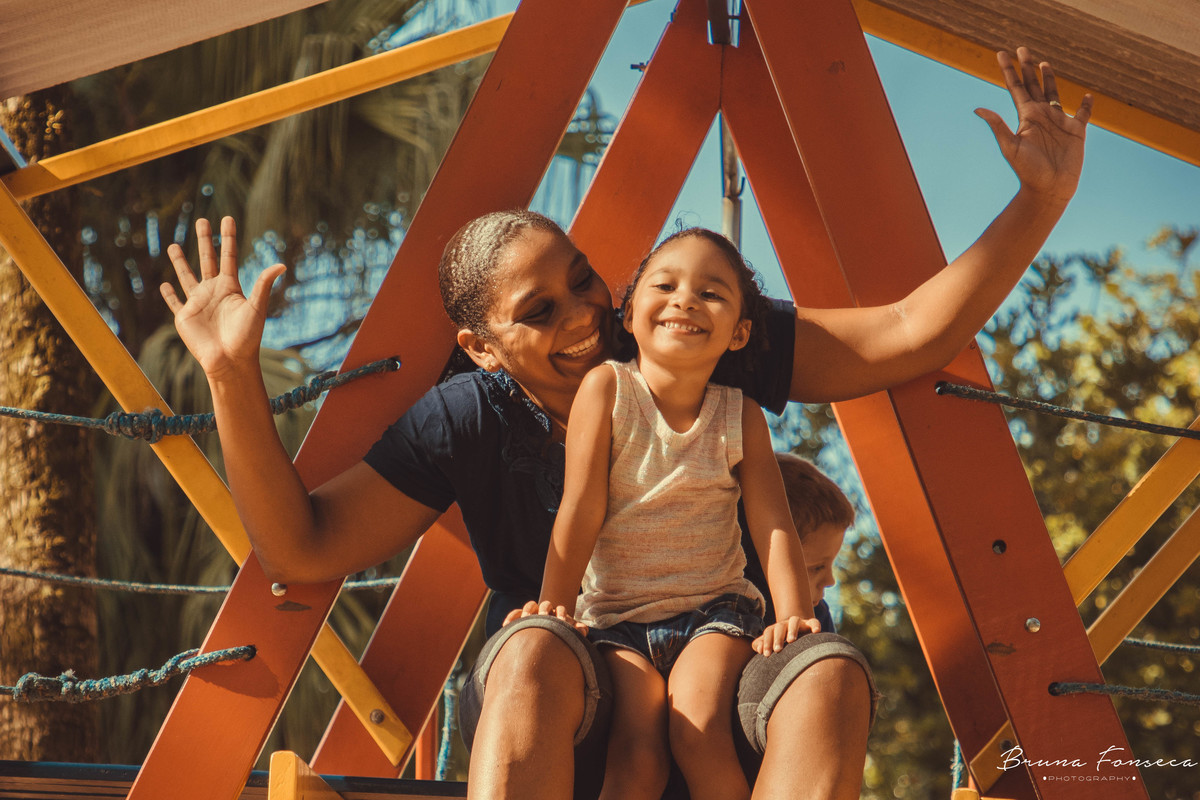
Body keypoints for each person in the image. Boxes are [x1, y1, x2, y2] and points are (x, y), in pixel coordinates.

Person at [160, 48, 1090, 800]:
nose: (580, 315)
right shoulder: (468, 418)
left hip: (730, 674)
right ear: (480, 348)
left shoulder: (690, 342)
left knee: (829, 672)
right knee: (526, 652)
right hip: (586, 684)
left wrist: (1038, 199)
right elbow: (305, 548)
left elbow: (902, 337)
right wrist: (232, 376)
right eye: (537, 312)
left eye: (580, 279)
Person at [528, 229, 821, 800]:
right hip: (616, 620)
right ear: (631, 315)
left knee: (699, 731)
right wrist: (555, 603)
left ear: (739, 333)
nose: (685, 299)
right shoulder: (606, 389)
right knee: (636, 752)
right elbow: (581, 504)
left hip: (714, 610)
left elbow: (773, 523)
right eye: (666, 285)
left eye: (711, 293)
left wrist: (794, 611)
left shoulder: (741, 416)